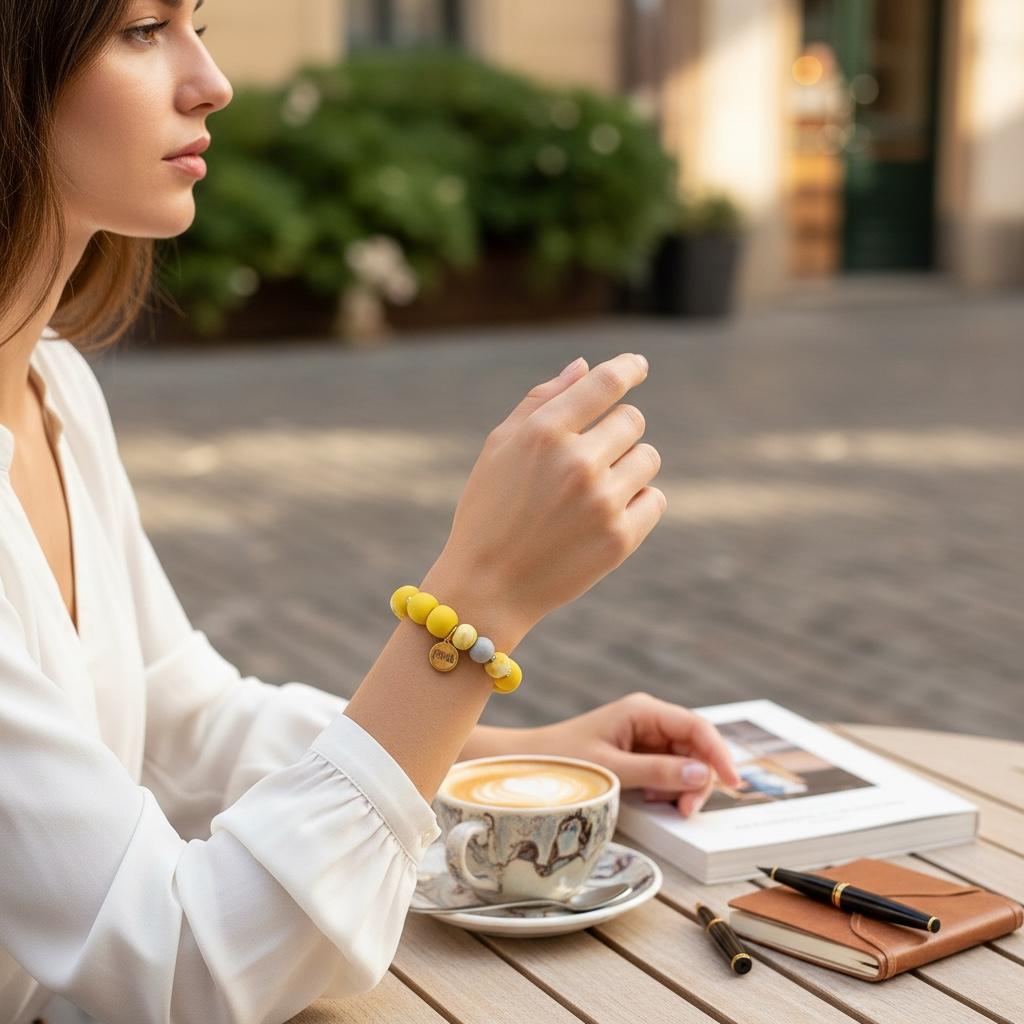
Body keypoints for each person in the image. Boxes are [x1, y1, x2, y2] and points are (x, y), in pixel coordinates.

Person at [0, 2, 739, 1022]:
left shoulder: (56, 390)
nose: (210, 82)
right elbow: (185, 966)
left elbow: (184, 728)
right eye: (141, 29)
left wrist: (502, 756)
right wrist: (476, 605)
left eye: (197, 22)